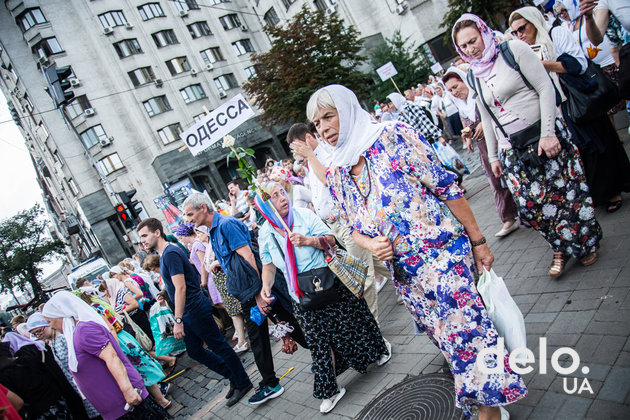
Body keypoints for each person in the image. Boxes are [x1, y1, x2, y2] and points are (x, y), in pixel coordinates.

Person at [292, 84, 526, 420]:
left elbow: (446, 187)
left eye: (329, 116)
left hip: (442, 258)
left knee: (467, 334)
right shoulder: (339, 171)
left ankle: (489, 412)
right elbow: (352, 228)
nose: (324, 128)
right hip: (408, 279)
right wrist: (371, 244)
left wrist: (479, 241)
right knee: (448, 342)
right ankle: (490, 402)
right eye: (317, 124)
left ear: (348, 109)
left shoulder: (392, 136)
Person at [453, 13, 602, 277]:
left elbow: (545, 88)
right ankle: (559, 245)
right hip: (514, 149)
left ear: (483, 32)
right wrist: (495, 156)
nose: (470, 49)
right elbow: (487, 117)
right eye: (463, 46)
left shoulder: (513, 50)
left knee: (567, 195)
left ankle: (583, 243)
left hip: (544, 135)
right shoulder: (474, 74)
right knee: (532, 205)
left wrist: (548, 133)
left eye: (472, 41)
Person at [256, 182, 390, 413]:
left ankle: (379, 349)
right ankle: (331, 391)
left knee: (356, 319)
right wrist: (265, 287)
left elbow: (331, 239)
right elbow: (268, 265)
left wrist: (309, 241)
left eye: (282, 192)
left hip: (330, 282)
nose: (283, 198)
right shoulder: (265, 233)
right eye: (275, 196)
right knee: (318, 343)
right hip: (301, 295)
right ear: (266, 207)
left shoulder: (304, 215)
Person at [181, 193, 308, 406]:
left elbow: (249, 256)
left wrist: (259, 294)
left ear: (203, 208)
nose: (187, 219)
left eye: (190, 214)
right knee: (283, 323)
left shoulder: (226, 224)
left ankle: (272, 382)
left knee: (273, 328)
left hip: (253, 291)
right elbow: (234, 258)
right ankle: (324, 354)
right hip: (249, 290)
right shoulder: (213, 229)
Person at [509, 6, 630, 213]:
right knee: (579, 152)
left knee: (598, 143)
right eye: (515, 32)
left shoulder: (555, 33)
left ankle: (612, 191)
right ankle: (595, 194)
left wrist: (542, 64)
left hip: (577, 98)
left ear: (534, 22)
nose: (519, 35)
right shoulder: (523, 50)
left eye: (522, 28)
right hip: (555, 107)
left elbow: (577, 65)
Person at [136, 218, 253, 408]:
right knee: (195, 351)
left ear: (157, 232)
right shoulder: (166, 253)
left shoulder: (171, 252)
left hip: (194, 309)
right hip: (190, 311)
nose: (142, 241)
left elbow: (180, 287)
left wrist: (178, 320)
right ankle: (233, 376)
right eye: (140, 237)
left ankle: (242, 381)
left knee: (219, 346)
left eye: (144, 235)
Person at [286, 122, 392, 318]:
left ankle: (376, 337)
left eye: (296, 147)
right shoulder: (309, 164)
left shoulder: (325, 154)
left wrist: (309, 155)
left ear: (308, 139)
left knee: (363, 278)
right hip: (335, 226)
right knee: (378, 263)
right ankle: (409, 281)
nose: (295, 154)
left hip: (347, 224)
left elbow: (330, 181)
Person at [42, 291, 169, 420]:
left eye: (50, 321)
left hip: (126, 402)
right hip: (117, 405)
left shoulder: (84, 331)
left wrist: (127, 390)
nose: (51, 326)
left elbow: (112, 357)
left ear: (61, 314)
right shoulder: (77, 333)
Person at [443, 67, 520, 238]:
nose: (454, 92)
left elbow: (497, 109)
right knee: (495, 179)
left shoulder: (479, 91)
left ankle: (527, 210)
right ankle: (508, 218)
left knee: (515, 173)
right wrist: (468, 135)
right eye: (450, 90)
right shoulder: (459, 102)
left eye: (456, 87)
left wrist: (483, 123)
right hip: (485, 145)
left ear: (464, 81)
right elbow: (466, 120)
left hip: (502, 138)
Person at [75, 290, 173, 410]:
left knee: (138, 372)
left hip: (118, 340)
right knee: (143, 369)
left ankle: (160, 400)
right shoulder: (97, 304)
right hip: (123, 336)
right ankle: (161, 398)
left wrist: (116, 348)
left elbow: (110, 328)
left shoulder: (91, 312)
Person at [26, 313, 101, 419]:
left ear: (48, 324)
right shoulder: (52, 342)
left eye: (39, 330)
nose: (38, 335)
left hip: (88, 383)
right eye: (35, 334)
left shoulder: (62, 338)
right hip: (79, 387)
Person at [0, 332, 88, 420]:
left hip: (38, 412)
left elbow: (18, 403)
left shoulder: (5, 375)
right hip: (56, 401)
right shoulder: (30, 356)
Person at [193, 225, 249, 354]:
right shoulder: (208, 246)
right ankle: (243, 340)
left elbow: (229, 255)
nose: (198, 237)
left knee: (237, 309)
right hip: (220, 280)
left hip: (225, 277)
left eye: (200, 233)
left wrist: (215, 263)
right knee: (235, 310)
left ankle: (245, 339)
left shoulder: (213, 244)